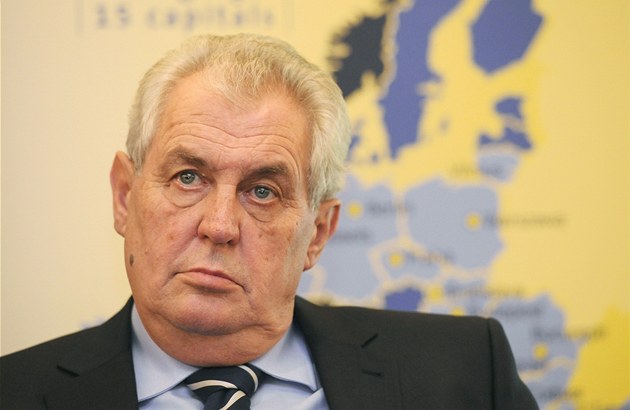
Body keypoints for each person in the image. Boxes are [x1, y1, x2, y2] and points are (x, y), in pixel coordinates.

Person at [0, 33, 538, 409]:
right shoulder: (14, 393)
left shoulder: (466, 374)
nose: (219, 226)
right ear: (124, 196)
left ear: (318, 233)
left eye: (263, 191)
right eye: (188, 177)